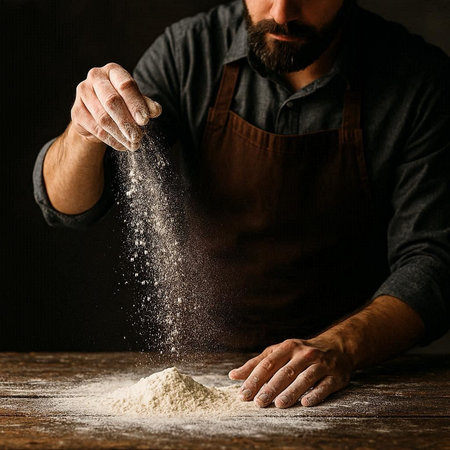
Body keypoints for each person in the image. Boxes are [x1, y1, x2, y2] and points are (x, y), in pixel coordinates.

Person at [33, 0, 450, 409]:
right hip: (206, 374)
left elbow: (434, 260)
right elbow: (68, 207)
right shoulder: (189, 52)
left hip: (353, 380)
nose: (282, 13)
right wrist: (85, 132)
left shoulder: (418, 80)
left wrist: (341, 346)